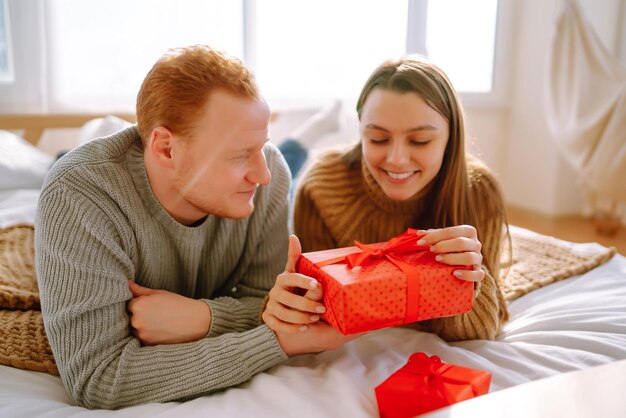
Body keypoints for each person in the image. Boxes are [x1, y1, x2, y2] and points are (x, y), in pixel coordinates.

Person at [34, 45, 351, 410]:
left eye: (261, 147)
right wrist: (274, 342)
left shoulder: (271, 175)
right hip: (93, 178)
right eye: (238, 155)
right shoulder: (78, 195)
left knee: (285, 160)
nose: (262, 174)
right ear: (167, 149)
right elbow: (100, 377)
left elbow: (268, 301)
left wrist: (204, 318)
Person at [262, 55, 510, 341]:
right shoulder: (320, 188)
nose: (397, 160)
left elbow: (484, 331)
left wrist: (471, 283)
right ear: (360, 133)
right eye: (378, 139)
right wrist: (290, 305)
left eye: (420, 141)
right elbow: (316, 320)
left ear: (450, 139)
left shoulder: (478, 191)